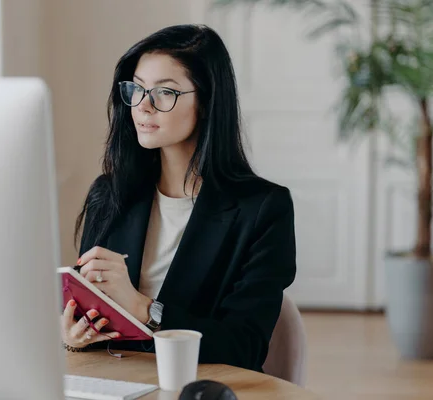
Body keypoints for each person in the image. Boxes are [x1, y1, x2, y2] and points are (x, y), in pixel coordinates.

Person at [60, 24, 297, 373]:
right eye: (137, 89)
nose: (143, 106)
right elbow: (92, 318)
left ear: (206, 101)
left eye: (164, 93)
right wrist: (74, 335)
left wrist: (145, 309)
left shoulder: (263, 209)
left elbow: (243, 348)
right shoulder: (109, 193)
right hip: (117, 383)